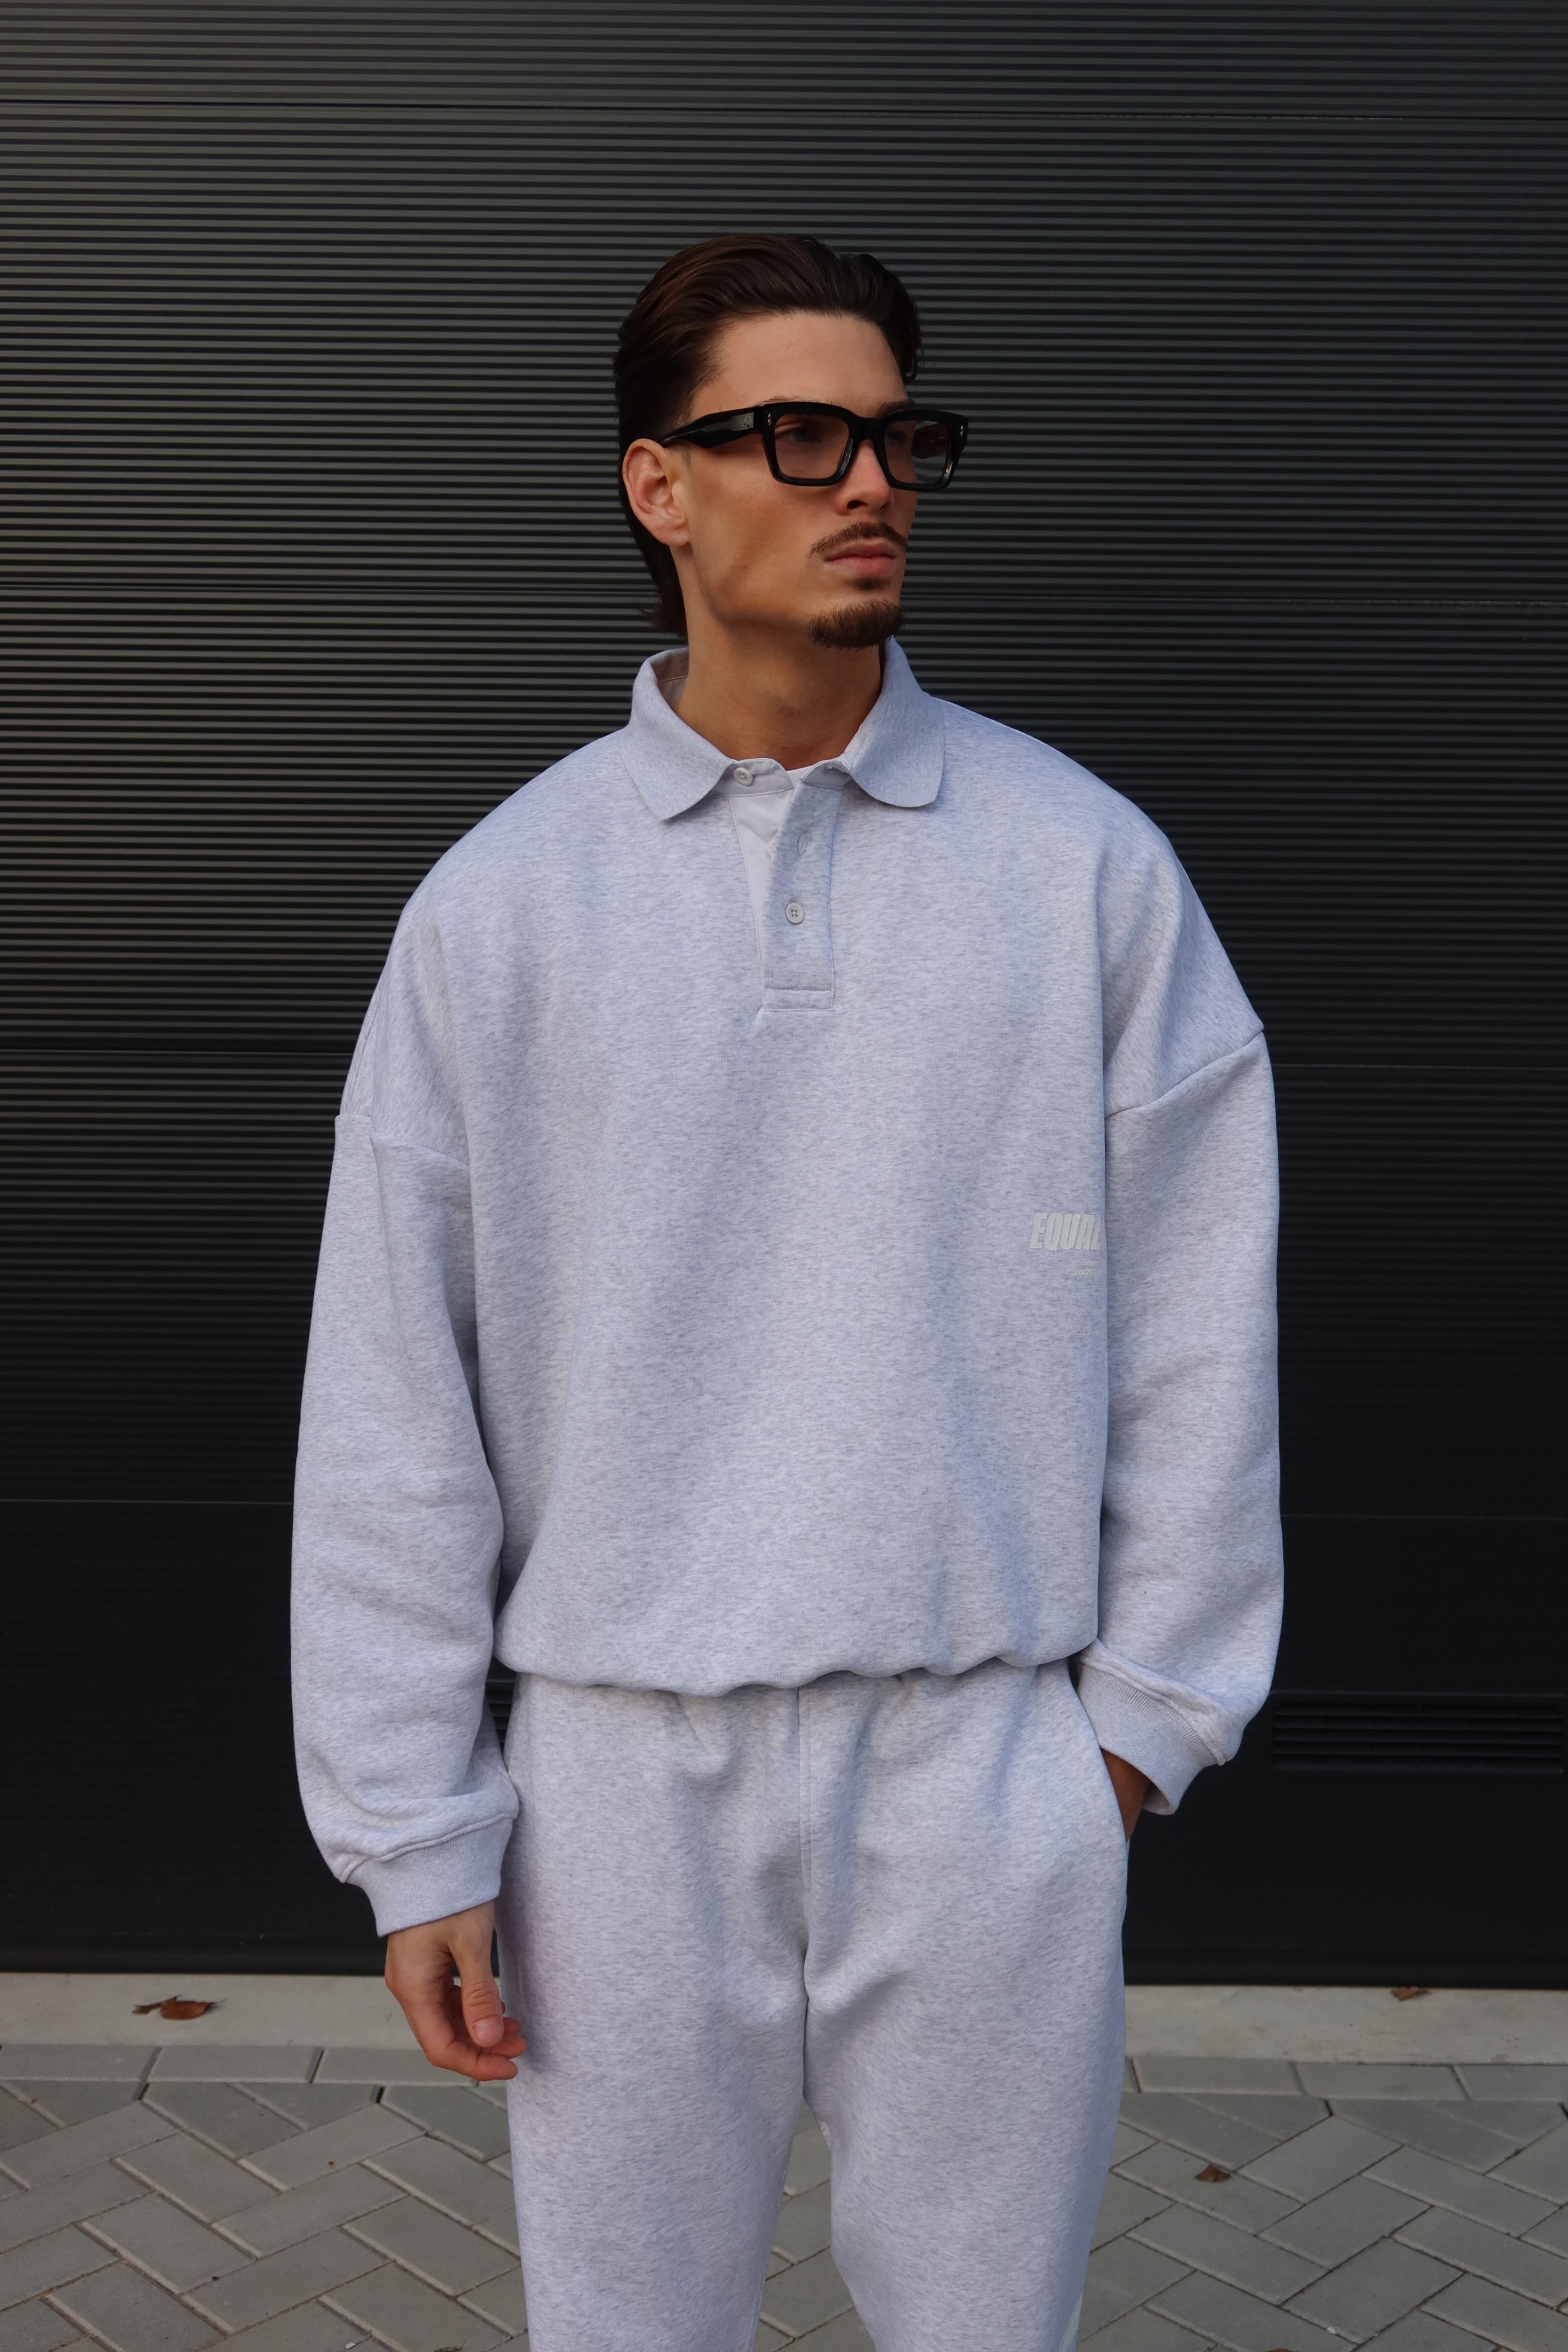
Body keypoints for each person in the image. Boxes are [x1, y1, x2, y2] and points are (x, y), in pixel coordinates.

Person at [291, 233, 1283, 2352]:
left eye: (901, 438)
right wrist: (417, 1830)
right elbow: (396, 1389)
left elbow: (1200, 1322)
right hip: (614, 1785)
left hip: (988, 1763)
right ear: (659, 484)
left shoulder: (1084, 870)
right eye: (801, 437)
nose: (874, 484)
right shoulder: (504, 904)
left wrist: (1129, 1737)